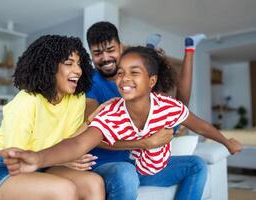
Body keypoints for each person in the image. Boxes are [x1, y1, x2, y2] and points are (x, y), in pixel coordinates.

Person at [0, 46, 243, 200]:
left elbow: (200, 125)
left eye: (134, 72)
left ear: (151, 81)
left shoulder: (168, 107)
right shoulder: (112, 113)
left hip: (159, 169)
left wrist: (226, 142)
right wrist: (38, 158)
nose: (124, 78)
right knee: (125, 172)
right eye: (120, 72)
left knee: (197, 165)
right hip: (134, 168)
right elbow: (78, 144)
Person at [83, 21, 208, 200]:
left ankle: (187, 49)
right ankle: (150, 49)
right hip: (109, 164)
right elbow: (91, 135)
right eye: (97, 53)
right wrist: (146, 143)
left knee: (196, 164)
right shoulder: (92, 84)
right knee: (126, 172)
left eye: (110, 50)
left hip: (137, 162)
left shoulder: (136, 79)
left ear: (121, 47)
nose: (105, 58)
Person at [0, 35, 105, 200]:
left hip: (45, 164)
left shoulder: (76, 99)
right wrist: (62, 161)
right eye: (69, 63)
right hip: (4, 169)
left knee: (94, 184)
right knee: (64, 189)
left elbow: (70, 141)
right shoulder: (27, 100)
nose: (78, 70)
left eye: (79, 64)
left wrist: (92, 120)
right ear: (49, 67)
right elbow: (17, 159)